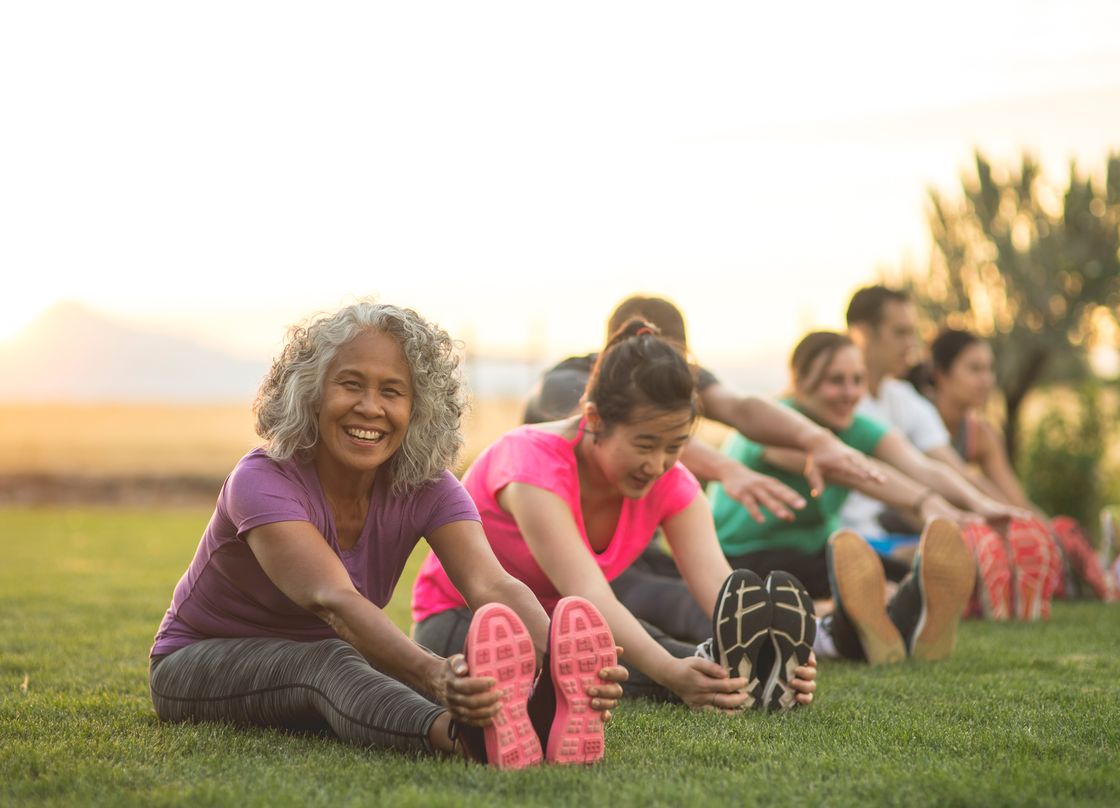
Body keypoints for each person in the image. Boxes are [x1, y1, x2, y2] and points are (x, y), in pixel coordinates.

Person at [148, 300, 626, 769]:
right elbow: (333, 600)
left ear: (418, 407)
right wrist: (436, 676)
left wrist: (565, 659)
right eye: (350, 385)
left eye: (392, 391)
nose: (370, 407)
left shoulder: (429, 486)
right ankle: (463, 738)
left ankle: (534, 713)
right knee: (338, 661)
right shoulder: (263, 480)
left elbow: (491, 584)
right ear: (312, 392)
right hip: (196, 663)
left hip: (335, 654)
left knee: (393, 661)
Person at [413, 320, 819, 713]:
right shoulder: (530, 465)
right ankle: (724, 681)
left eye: (675, 446)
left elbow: (722, 591)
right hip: (462, 618)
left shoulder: (673, 483)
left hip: (570, 624)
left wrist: (768, 648)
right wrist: (670, 673)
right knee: (603, 659)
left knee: (659, 650)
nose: (658, 463)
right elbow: (589, 594)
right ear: (594, 420)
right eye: (645, 444)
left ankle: (755, 678)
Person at [706, 332, 980, 665]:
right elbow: (848, 471)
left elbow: (920, 465)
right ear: (801, 382)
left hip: (816, 551)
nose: (849, 393)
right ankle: (867, 616)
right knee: (833, 590)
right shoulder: (772, 424)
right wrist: (924, 503)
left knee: (894, 577)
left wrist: (983, 506)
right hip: (747, 556)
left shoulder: (856, 426)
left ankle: (896, 616)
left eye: (857, 381)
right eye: (835, 381)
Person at [525, 294, 883, 526]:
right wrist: (728, 469)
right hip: (560, 538)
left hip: (629, 543)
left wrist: (817, 439)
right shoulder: (567, 383)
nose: (666, 378)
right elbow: (641, 431)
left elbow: (740, 408)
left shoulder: (679, 374)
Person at [840, 285, 1050, 619]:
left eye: (912, 332)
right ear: (862, 333)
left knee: (971, 547)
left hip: (891, 533)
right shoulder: (840, 403)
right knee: (956, 555)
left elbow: (947, 468)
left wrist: (1004, 515)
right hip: (850, 541)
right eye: (900, 332)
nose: (911, 343)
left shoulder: (901, 398)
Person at [921, 327, 1115, 604]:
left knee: (1049, 536)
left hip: (966, 523)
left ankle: (1088, 566)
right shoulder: (917, 418)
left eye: (990, 369)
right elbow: (965, 481)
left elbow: (1014, 497)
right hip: (925, 526)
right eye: (974, 369)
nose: (986, 380)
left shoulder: (982, 434)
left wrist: (1046, 532)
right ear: (941, 375)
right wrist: (1021, 523)